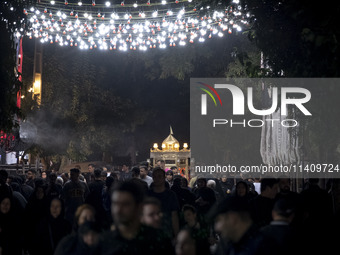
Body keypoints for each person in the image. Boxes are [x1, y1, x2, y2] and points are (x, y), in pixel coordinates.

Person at [99, 181, 175, 255]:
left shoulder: (159, 241)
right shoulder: (104, 242)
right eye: (115, 204)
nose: (118, 210)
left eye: (125, 204)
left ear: (139, 207)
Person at [149, 167, 180, 238]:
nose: (157, 179)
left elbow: (174, 215)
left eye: (159, 176)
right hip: (151, 232)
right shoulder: (147, 194)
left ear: (164, 177)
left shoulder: (171, 195)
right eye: (155, 177)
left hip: (167, 231)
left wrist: (176, 235)